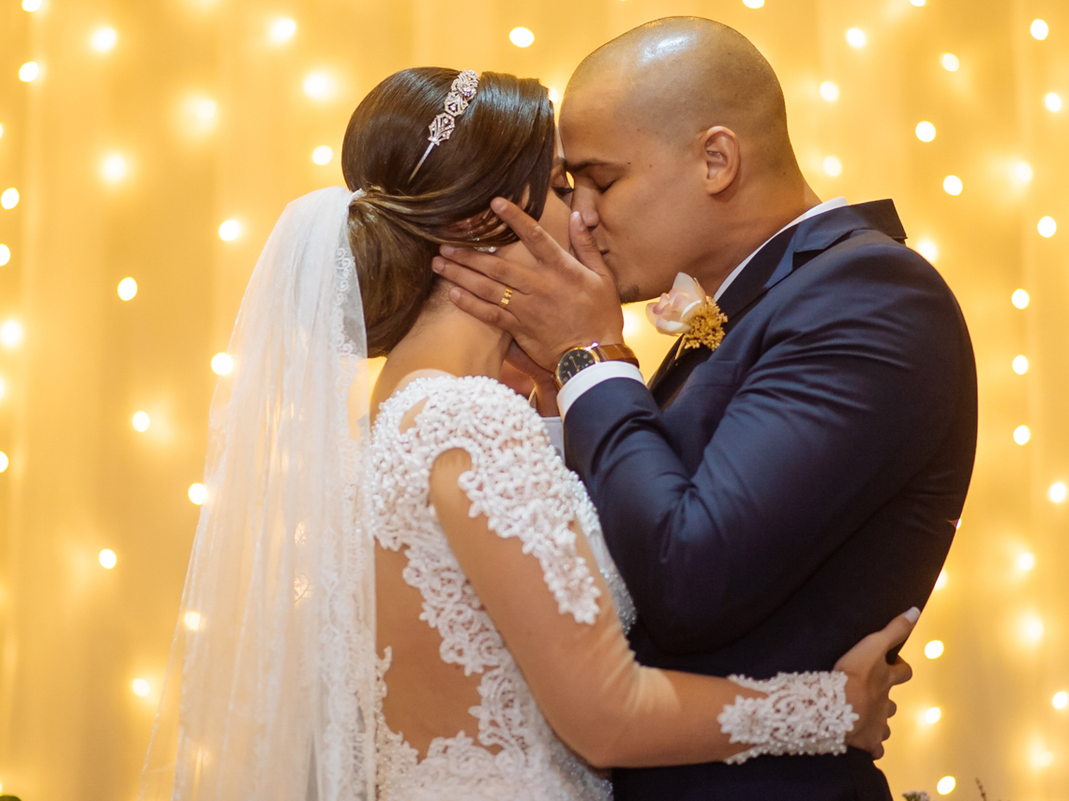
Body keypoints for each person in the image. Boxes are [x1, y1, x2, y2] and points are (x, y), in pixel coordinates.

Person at [138, 66, 918, 801]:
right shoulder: (469, 423)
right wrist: (833, 707)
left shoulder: (400, 414)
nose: (587, 215)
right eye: (559, 187)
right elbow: (605, 714)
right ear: (484, 222)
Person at [434, 18, 977, 801]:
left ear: (717, 159)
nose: (581, 216)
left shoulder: (869, 299)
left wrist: (589, 355)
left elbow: (690, 575)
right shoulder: (753, 302)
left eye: (601, 181)